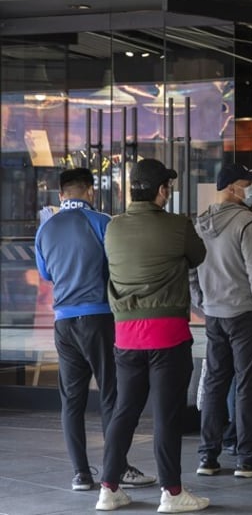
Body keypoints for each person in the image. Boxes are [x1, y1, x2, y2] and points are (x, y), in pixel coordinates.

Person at [33, 168, 155, 493]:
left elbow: (46, 274)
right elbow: (117, 265)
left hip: (64, 322)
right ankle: (118, 468)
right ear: (90, 191)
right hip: (99, 317)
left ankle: (80, 474)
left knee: (71, 400)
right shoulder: (103, 222)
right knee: (111, 394)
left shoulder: (46, 228)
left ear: (61, 194)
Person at [98, 158, 209, 512]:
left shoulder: (112, 227)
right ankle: (172, 493)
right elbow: (198, 255)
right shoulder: (178, 225)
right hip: (168, 334)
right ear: (162, 190)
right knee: (166, 415)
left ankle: (108, 488)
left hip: (126, 335)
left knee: (124, 411)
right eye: (169, 187)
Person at [192, 162, 252, 478]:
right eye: (246, 183)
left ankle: (207, 456)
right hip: (245, 313)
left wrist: (200, 301)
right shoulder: (246, 220)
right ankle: (248, 457)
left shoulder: (200, 221)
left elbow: (191, 270)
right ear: (231, 187)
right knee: (248, 385)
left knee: (215, 383)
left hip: (214, 314)